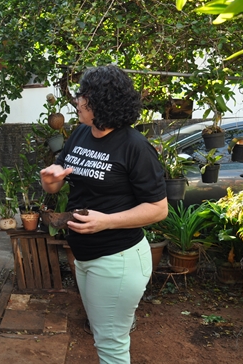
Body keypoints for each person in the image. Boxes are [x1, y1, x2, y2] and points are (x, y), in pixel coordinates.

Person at [40, 65, 168, 364]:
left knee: (111, 346)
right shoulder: (81, 134)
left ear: (101, 101)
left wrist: (106, 221)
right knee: (103, 338)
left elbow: (158, 208)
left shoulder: (135, 146)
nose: (77, 101)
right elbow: (59, 178)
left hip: (117, 259)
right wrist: (50, 180)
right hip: (85, 257)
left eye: (83, 95)